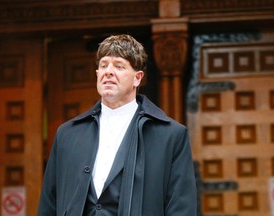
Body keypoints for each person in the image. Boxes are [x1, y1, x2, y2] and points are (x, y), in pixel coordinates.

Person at [38, 34, 197, 216]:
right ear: (97, 74)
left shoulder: (171, 136)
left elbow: (181, 208)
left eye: (119, 66)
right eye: (103, 65)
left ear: (137, 78)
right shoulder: (67, 134)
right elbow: (49, 204)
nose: (108, 72)